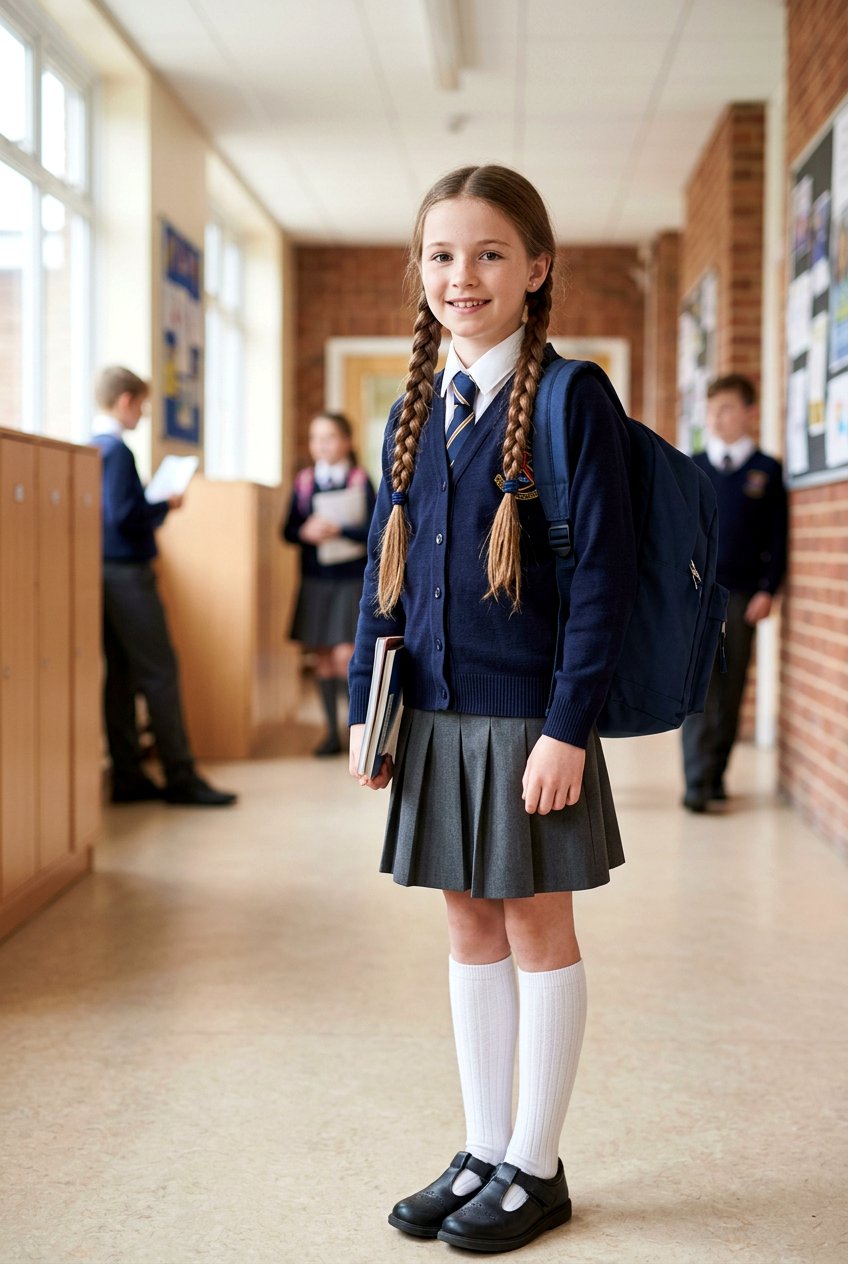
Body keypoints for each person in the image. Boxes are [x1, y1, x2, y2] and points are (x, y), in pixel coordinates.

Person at [346, 165, 638, 1253]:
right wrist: (363, 709)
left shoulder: (571, 400)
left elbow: (601, 583)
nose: (459, 275)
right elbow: (385, 579)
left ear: (536, 267)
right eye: (439, 254)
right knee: (465, 920)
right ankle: (481, 1145)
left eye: (486, 253)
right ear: (418, 270)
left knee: (534, 924)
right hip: (430, 714)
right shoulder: (413, 410)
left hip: (529, 722)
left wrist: (568, 726)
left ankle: (535, 1163)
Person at [91, 366, 237, 807]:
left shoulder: (91, 447)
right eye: (141, 405)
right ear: (125, 402)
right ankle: (180, 774)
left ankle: (128, 774)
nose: (143, 413)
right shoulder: (115, 452)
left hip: (102, 572)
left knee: (120, 676)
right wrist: (163, 504)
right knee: (159, 671)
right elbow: (122, 516)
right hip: (128, 575)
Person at [681, 374, 788, 813]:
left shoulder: (767, 469)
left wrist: (770, 589)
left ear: (750, 412)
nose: (716, 418)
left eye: (726, 408)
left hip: (744, 596)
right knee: (699, 689)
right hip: (699, 595)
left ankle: (716, 774)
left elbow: (779, 538)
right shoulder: (694, 465)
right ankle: (696, 784)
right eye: (711, 411)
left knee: (732, 688)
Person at [282, 413, 375, 755]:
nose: (321, 444)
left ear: (347, 441)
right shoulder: (305, 482)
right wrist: (305, 532)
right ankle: (331, 734)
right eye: (315, 437)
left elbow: (375, 530)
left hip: (350, 580)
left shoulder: (359, 479)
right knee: (322, 657)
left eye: (330, 436)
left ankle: (356, 729)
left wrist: (340, 531)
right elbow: (288, 530)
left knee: (345, 655)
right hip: (316, 580)